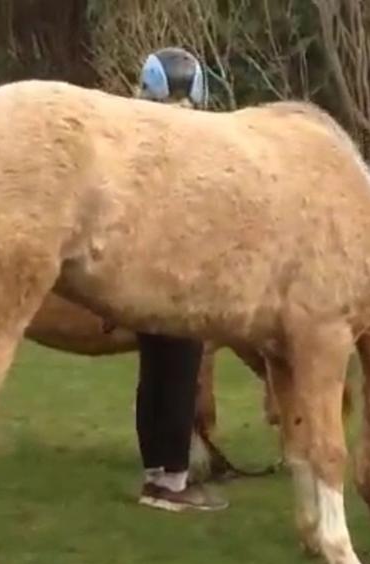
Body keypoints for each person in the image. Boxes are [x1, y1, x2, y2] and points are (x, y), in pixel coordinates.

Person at [132, 47, 228, 512]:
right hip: (181, 277)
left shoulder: (135, 146)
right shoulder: (196, 150)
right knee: (179, 372)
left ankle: (156, 472)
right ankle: (170, 484)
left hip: (145, 276)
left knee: (154, 372)